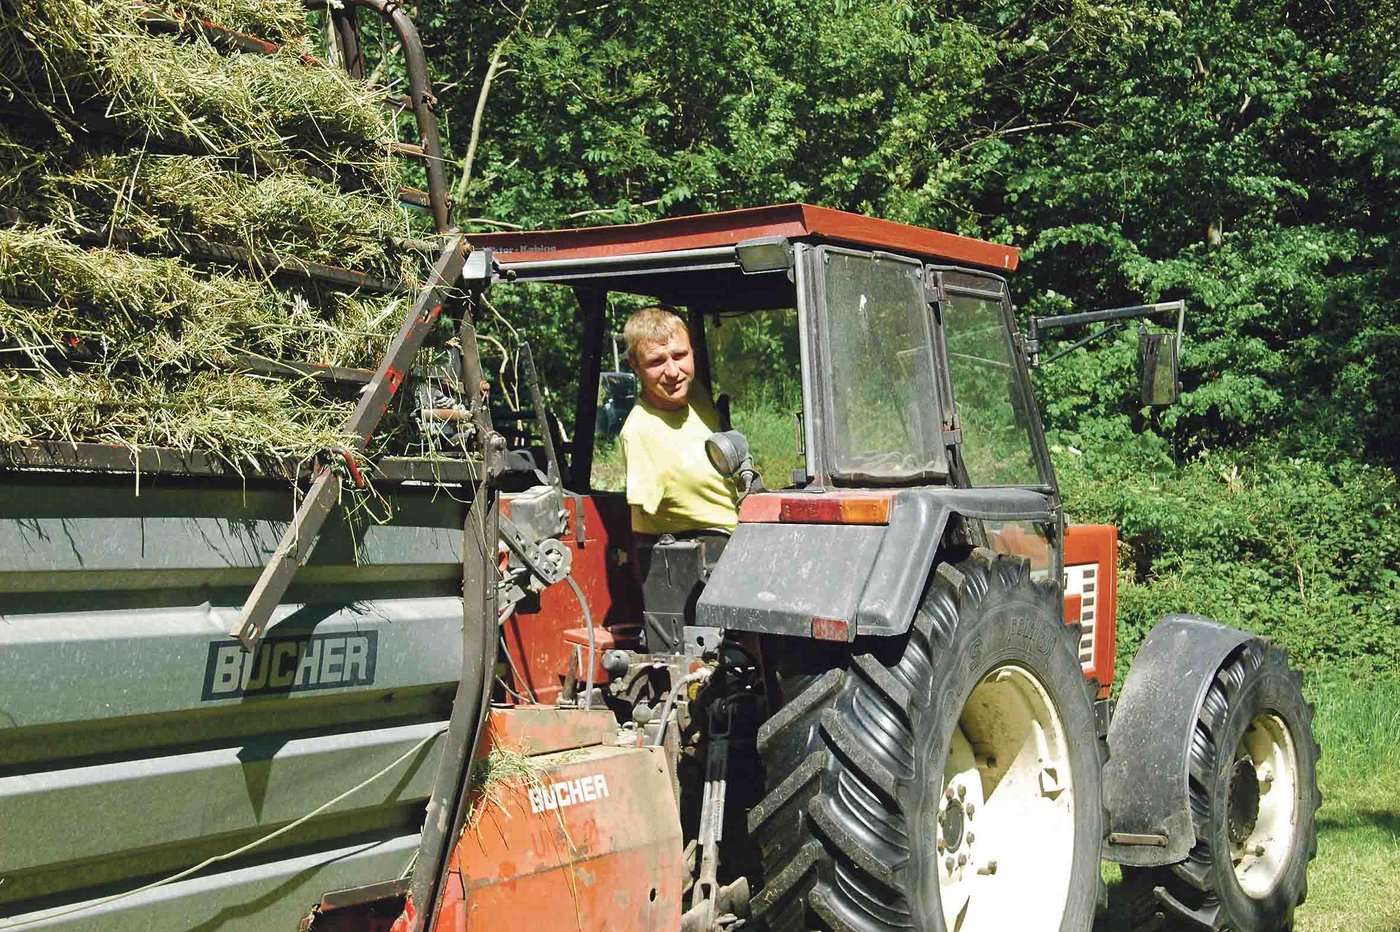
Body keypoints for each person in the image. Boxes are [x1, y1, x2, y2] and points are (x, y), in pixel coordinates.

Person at [619, 307, 739, 536]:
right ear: (635, 365)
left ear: (692, 351)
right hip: (708, 552)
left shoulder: (696, 394)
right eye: (657, 361)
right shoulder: (639, 433)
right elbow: (644, 527)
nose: (673, 372)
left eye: (679, 355)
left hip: (745, 532)